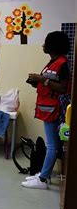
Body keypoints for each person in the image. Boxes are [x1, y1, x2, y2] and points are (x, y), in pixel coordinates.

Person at [22, 31, 70, 190]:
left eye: (45, 42)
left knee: (52, 145)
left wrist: (42, 79)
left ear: (53, 45)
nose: (43, 45)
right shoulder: (52, 62)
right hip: (46, 107)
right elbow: (50, 83)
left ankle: (42, 179)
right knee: (52, 144)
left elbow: (63, 88)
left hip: (54, 109)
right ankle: (45, 174)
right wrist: (37, 82)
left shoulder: (62, 63)